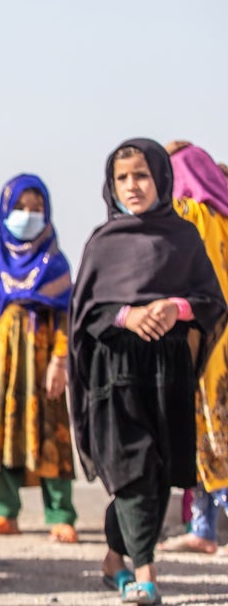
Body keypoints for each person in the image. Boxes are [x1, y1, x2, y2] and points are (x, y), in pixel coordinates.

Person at [69, 139, 226, 605]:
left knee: (157, 474)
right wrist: (126, 316)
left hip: (168, 373)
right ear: (110, 184)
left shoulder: (184, 238)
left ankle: (114, 560)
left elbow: (212, 303)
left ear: (161, 178)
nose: (132, 186)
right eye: (122, 178)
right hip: (113, 374)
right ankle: (146, 577)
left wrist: (174, 308)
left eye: (141, 175)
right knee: (134, 470)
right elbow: (85, 314)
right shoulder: (102, 242)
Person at [0, 174, 77, 542]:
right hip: (1, 371)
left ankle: (61, 516)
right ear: (4, 212)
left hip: (42, 367)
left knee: (52, 434)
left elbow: (64, 317)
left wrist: (60, 362)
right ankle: (4, 514)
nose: (28, 215)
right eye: (20, 208)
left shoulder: (56, 265)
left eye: (36, 209)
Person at [158, 142, 228, 555]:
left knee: (208, 427)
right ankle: (202, 526)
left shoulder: (189, 216)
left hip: (204, 342)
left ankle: (205, 523)